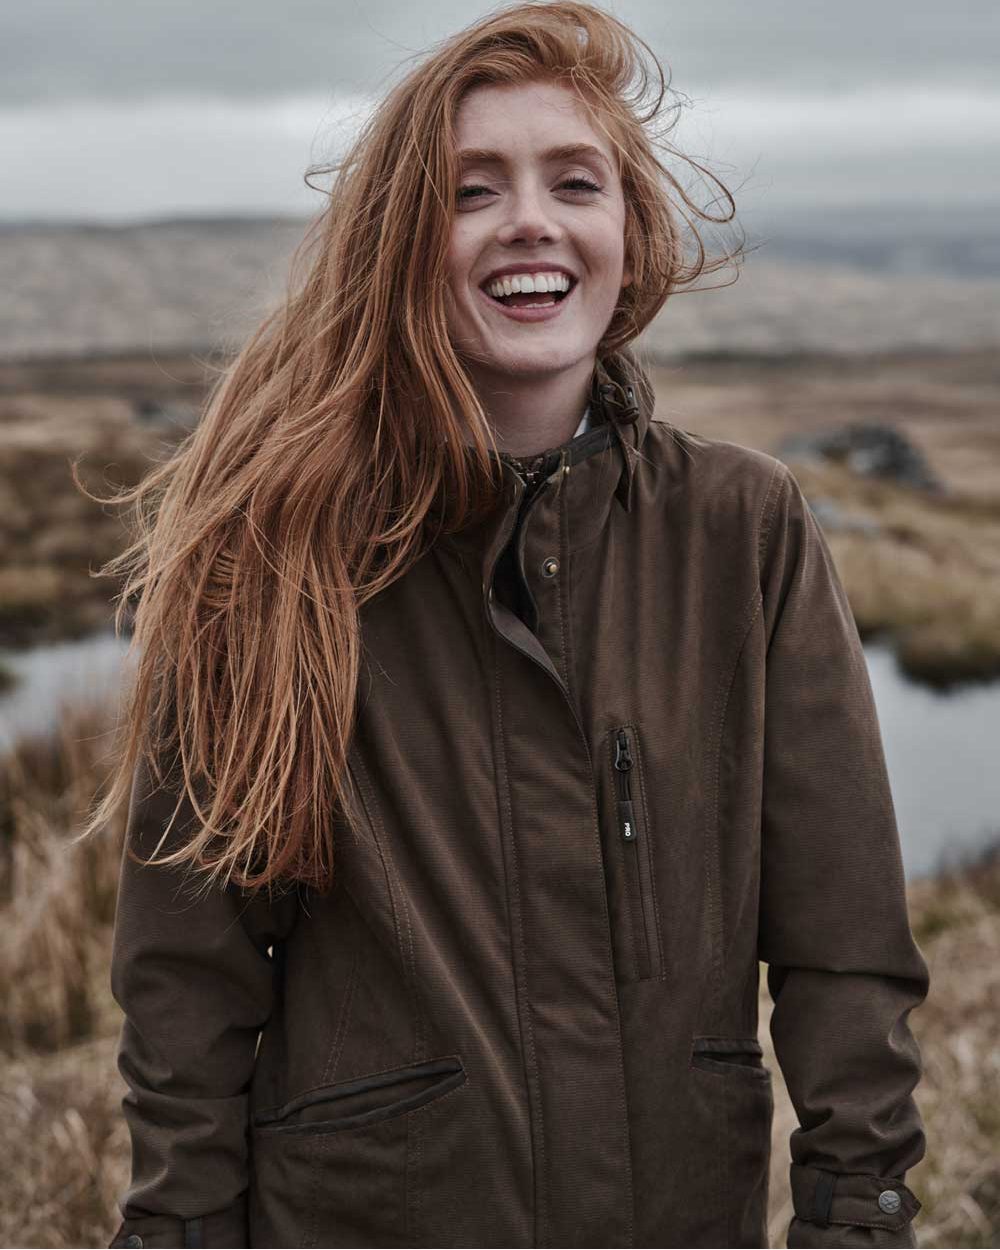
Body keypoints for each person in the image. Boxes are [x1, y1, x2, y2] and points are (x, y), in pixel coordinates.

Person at [84, 4, 930, 1247]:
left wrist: (859, 1220)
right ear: (401, 246)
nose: (529, 218)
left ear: (626, 234)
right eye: (470, 190)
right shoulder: (267, 557)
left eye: (573, 180)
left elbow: (844, 946)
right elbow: (185, 991)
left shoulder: (742, 528)